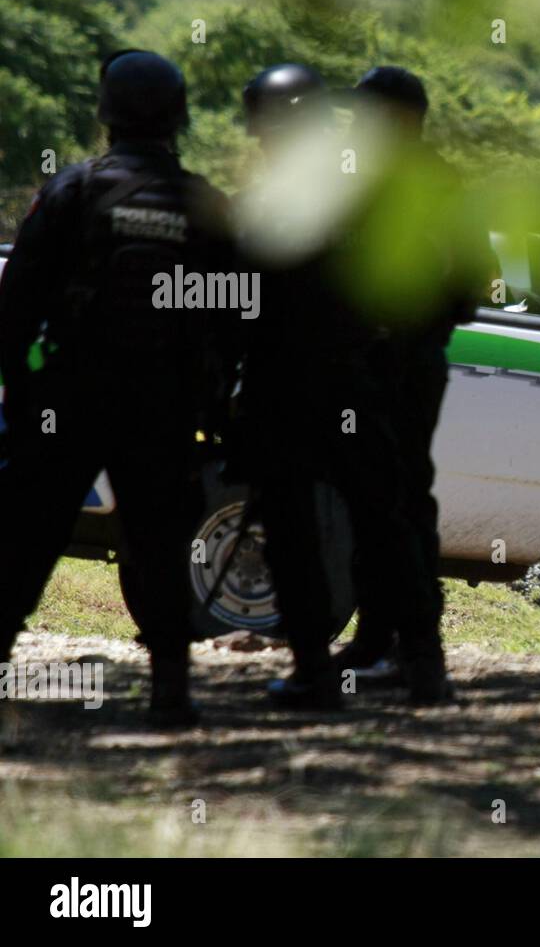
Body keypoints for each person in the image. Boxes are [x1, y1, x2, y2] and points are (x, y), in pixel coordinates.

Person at [0, 50, 233, 725]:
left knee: (25, 535)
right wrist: (213, 405)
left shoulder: (72, 191)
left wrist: (26, 394)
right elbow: (236, 315)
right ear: (180, 118)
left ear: (105, 115)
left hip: (70, 396)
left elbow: (17, 305)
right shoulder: (205, 206)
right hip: (161, 404)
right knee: (159, 542)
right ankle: (171, 694)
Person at [235, 64, 469, 708]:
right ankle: (414, 661)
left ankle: (345, 663)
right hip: (359, 377)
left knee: (339, 517)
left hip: (330, 378)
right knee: (383, 511)